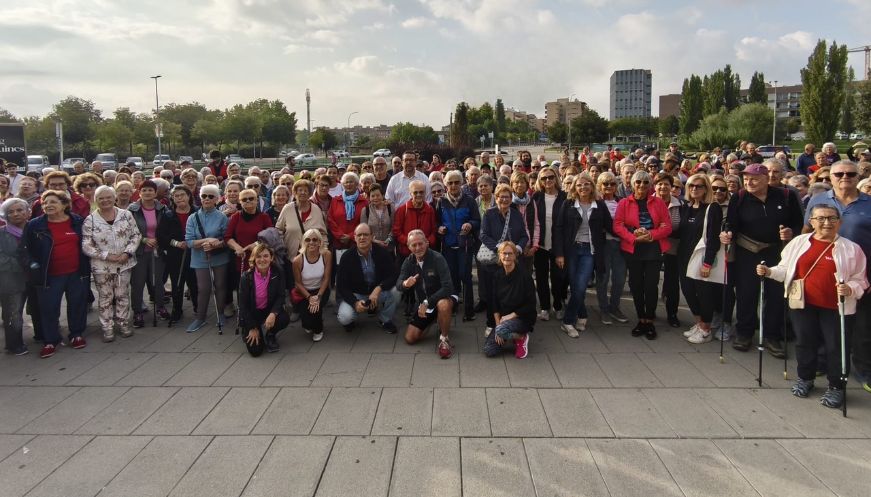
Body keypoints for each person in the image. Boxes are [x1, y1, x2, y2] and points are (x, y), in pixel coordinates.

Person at [757, 204, 868, 408]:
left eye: (832, 218)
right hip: (802, 304)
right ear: (812, 222)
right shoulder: (799, 242)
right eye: (821, 218)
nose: (827, 223)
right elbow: (785, 269)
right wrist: (769, 271)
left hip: (837, 308)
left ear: (840, 222)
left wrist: (850, 289)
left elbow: (861, 280)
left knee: (836, 347)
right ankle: (805, 378)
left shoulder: (852, 249)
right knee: (804, 342)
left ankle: (836, 386)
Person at [720, 162, 804, 357]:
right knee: (746, 293)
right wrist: (726, 233)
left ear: (766, 179)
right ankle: (744, 333)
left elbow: (798, 223)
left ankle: (771, 336)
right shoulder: (740, 197)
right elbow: (731, 223)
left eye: (754, 179)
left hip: (776, 252)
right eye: (746, 179)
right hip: (747, 251)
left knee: (775, 295)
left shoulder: (786, 196)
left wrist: (791, 232)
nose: (749, 182)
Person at [803, 160, 871, 393]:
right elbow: (806, 233)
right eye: (839, 174)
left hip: (859, 272)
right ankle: (822, 362)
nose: (844, 177)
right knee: (825, 322)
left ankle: (863, 369)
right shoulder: (818, 200)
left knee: (862, 326)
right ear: (830, 177)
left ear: (858, 176)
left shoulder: (868, 203)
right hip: (823, 272)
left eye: (850, 174)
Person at [23, 190, 91, 358]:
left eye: (53, 202)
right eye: (45, 203)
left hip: (76, 273)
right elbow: (25, 249)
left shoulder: (77, 221)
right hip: (49, 275)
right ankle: (50, 340)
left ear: (65, 204)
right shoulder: (34, 225)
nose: (48, 205)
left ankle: (76, 334)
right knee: (49, 308)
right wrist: (32, 264)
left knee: (77, 304)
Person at [613, 170, 672, 340]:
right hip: (634, 249)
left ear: (650, 185)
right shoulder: (624, 202)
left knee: (651, 285)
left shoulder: (658, 202)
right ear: (632, 184)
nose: (641, 185)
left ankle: (650, 320)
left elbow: (667, 226)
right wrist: (634, 237)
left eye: (645, 182)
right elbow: (618, 225)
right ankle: (641, 319)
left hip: (653, 248)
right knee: (636, 285)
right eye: (638, 182)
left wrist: (651, 234)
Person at [554, 173, 612, 337]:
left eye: (586, 184)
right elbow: (558, 228)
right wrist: (559, 253)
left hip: (589, 250)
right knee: (575, 286)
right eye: (579, 185)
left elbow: (611, 226)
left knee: (580, 286)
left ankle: (567, 321)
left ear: (592, 186)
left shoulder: (599, 205)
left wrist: (632, 234)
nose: (583, 187)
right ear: (574, 188)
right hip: (571, 250)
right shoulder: (568, 204)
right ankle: (582, 314)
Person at [82, 186, 141, 342]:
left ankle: (123, 323)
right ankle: (107, 327)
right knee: (106, 297)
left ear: (114, 198)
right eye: (101, 198)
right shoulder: (90, 220)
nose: (105, 200)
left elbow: (136, 235)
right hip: (102, 266)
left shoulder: (126, 215)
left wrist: (127, 252)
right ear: (96, 200)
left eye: (108, 197)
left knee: (122, 295)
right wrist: (106, 256)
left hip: (124, 263)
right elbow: (86, 245)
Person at [677, 174, 723, 344]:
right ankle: (699, 323)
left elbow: (713, 238)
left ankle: (706, 329)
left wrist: (707, 263)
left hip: (701, 257)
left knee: (704, 294)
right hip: (684, 256)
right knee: (688, 291)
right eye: (691, 186)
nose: (694, 189)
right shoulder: (686, 207)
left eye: (699, 186)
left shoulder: (712, 208)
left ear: (706, 189)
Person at [479, 184, 530, 336]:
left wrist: (518, 248)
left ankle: (509, 321)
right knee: (492, 293)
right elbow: (483, 235)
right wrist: (499, 248)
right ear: (496, 198)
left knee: (511, 293)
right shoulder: (489, 214)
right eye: (501, 197)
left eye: (507, 197)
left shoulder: (516, 214)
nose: (504, 200)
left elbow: (524, 236)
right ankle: (491, 323)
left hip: (512, 261)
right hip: (494, 261)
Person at [397, 229, 457, 358]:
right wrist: (405, 284)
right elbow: (398, 284)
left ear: (427, 243)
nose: (418, 248)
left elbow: (448, 287)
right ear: (408, 246)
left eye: (420, 243)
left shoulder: (437, 258)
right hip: (425, 303)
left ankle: (444, 339)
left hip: (445, 297)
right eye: (414, 245)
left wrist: (427, 302)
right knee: (410, 338)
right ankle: (435, 318)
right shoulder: (408, 261)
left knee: (443, 305)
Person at [336, 224, 398, 333]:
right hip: (357, 294)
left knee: (396, 290)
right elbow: (341, 285)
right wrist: (354, 302)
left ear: (372, 236)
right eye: (359, 235)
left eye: (365, 234)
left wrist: (379, 288)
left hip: (377, 292)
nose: (362, 237)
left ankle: (385, 319)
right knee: (345, 318)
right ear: (354, 237)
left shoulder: (382, 252)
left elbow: (393, 275)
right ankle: (353, 317)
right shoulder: (346, 257)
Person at [435, 170, 480, 321]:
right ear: (445, 185)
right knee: (451, 277)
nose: (453, 185)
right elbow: (436, 222)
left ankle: (469, 310)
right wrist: (439, 228)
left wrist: (470, 224)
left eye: (456, 182)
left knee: (465, 276)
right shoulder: (441, 202)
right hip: (448, 246)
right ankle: (453, 306)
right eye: (450, 183)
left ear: (461, 183)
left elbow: (477, 220)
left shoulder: (469, 201)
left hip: (465, 245)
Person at [184, 184, 230, 333]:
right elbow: (189, 241)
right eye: (204, 196)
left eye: (211, 196)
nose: (207, 199)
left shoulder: (222, 217)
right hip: (200, 257)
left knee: (220, 285)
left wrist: (216, 244)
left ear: (217, 199)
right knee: (204, 288)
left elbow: (226, 238)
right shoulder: (193, 217)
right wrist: (207, 240)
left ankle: (220, 313)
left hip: (219, 256)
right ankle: (200, 317)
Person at [482, 241, 536, 359]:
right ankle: (508, 334)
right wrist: (498, 327)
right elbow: (494, 303)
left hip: (522, 317)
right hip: (503, 321)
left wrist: (510, 316)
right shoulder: (497, 275)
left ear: (515, 255)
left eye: (510, 253)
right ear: (499, 255)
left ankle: (521, 337)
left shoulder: (524, 276)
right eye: (504, 253)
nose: (507, 256)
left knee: (502, 330)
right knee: (489, 350)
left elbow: (531, 304)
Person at [225, 188, 273, 318]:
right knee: (243, 288)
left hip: (259, 259)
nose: (248, 201)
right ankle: (244, 315)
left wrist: (256, 245)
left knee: (259, 287)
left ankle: (260, 312)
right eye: (244, 199)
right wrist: (236, 247)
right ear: (240, 202)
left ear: (257, 200)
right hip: (241, 258)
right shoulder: (236, 217)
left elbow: (270, 235)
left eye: (251, 198)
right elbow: (228, 237)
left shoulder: (264, 217)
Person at [128, 179, 168, 326]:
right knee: (138, 283)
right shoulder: (132, 210)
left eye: (150, 190)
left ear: (155, 192)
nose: (147, 192)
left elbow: (166, 228)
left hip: (157, 251)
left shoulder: (162, 209)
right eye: (144, 190)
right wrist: (144, 239)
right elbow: (128, 231)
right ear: (139, 193)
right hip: (139, 251)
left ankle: (160, 307)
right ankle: (137, 312)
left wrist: (159, 239)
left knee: (158, 281)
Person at [239, 243, 290, 356]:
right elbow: (243, 306)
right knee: (256, 352)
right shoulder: (246, 277)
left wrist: (273, 313)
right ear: (254, 259)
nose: (262, 259)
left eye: (266, 256)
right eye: (258, 256)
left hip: (268, 309)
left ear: (271, 258)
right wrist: (252, 327)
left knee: (284, 318)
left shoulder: (278, 271)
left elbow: (281, 295)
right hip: (252, 313)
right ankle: (248, 329)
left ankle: (270, 334)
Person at [158, 185, 198, 324]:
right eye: (176, 196)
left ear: (189, 196)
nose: (180, 198)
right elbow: (161, 235)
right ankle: (177, 309)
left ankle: (198, 307)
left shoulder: (197, 212)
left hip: (194, 253)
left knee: (194, 282)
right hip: (175, 254)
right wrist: (176, 243)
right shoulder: (168, 215)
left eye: (182, 195)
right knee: (176, 283)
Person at [595, 171, 628, 324]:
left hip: (621, 244)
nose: (609, 186)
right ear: (599, 185)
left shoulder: (623, 201)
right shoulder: (596, 202)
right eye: (605, 184)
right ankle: (604, 309)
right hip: (604, 245)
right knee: (603, 278)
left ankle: (614, 307)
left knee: (620, 279)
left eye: (612, 184)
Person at [653, 173, 685, 328]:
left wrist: (665, 231)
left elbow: (682, 228)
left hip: (672, 248)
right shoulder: (648, 202)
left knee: (672, 282)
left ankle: (672, 313)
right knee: (651, 281)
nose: (663, 187)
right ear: (654, 186)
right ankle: (650, 310)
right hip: (652, 247)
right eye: (659, 184)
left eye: (666, 184)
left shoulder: (680, 205)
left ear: (671, 187)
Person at [291, 228, 332, 342]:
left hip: (321, 290)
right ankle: (309, 323)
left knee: (315, 310)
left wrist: (318, 297)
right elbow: (298, 283)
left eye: (315, 239)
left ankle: (319, 330)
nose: (311, 242)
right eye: (308, 240)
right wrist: (309, 297)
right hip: (304, 292)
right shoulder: (297, 261)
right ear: (303, 242)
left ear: (320, 242)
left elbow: (326, 278)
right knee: (307, 323)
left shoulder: (327, 255)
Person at [276, 179, 328, 266]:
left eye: (306, 190)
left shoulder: (316, 209)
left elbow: (322, 233)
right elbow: (278, 230)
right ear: (295, 192)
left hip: (313, 258)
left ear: (310, 193)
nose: (303, 193)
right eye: (300, 190)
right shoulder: (287, 208)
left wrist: (324, 249)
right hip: (291, 257)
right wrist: (282, 246)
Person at [0, 199, 29, 355]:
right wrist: (24, 264)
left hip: (35, 278)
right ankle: (14, 344)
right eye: (11, 212)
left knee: (38, 309)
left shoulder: (35, 229)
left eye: (19, 210)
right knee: (13, 312)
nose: (16, 214)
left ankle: (42, 336)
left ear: (27, 212)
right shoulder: (2, 233)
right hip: (11, 279)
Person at [393, 180, 437, 260]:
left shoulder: (430, 210)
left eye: (421, 192)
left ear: (425, 193)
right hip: (407, 254)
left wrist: (427, 242)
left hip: (426, 253)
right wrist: (411, 242)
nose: (418, 195)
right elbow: (397, 231)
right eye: (415, 192)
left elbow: (434, 231)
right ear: (410, 193)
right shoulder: (402, 210)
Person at [328, 172, 368, 254]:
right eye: (346, 182)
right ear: (342, 184)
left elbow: (365, 222)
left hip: (357, 242)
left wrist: (350, 236)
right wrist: (340, 235)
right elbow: (330, 220)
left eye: (351, 182)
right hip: (338, 243)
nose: (348, 184)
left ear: (356, 184)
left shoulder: (364, 202)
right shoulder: (335, 201)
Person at [359, 184, 394, 252]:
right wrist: (375, 241)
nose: (375, 198)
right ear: (369, 197)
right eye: (372, 196)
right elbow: (363, 230)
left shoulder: (390, 208)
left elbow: (394, 227)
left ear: (382, 196)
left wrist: (388, 240)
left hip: (388, 248)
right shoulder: (365, 210)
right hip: (371, 248)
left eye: (378, 195)